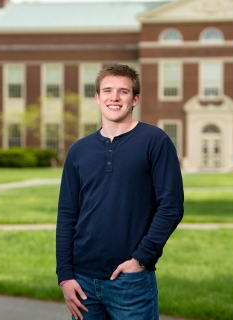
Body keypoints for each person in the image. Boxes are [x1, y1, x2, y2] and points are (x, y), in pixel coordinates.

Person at [56, 64, 184, 320]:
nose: (114, 97)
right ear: (97, 97)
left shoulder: (155, 141)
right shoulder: (79, 151)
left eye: (123, 91)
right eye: (107, 90)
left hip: (130, 281)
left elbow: (171, 207)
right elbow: (67, 214)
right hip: (82, 282)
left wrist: (140, 260)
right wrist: (65, 276)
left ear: (135, 99)